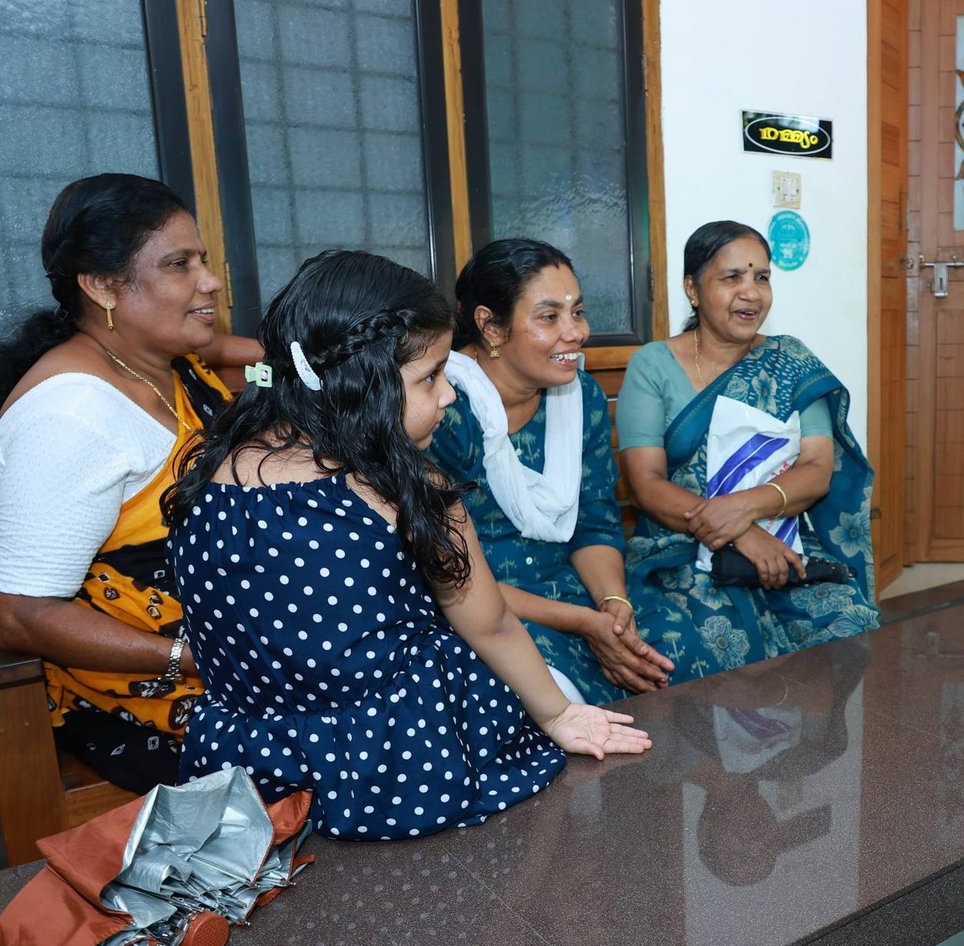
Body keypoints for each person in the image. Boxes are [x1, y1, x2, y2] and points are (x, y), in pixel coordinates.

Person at [163, 250, 650, 841]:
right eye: (430, 377)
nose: (448, 395)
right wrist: (558, 715)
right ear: (361, 383)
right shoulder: (398, 487)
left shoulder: (211, 478)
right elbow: (489, 622)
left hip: (253, 768)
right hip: (402, 763)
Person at [0, 173, 256, 793]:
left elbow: (233, 353)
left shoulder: (159, 362)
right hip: (151, 688)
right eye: (179, 264)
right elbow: (21, 616)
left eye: (202, 260)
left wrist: (298, 355)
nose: (210, 281)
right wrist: (194, 657)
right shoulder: (70, 417)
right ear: (102, 286)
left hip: (224, 642)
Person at [616, 221, 878, 682]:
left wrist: (744, 512)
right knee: (708, 645)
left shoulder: (791, 361)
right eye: (732, 277)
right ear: (693, 290)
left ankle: (811, 733)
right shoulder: (653, 364)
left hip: (784, 539)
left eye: (761, 277)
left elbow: (818, 467)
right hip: (680, 547)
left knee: (847, 621)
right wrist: (741, 534)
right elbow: (645, 484)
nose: (751, 292)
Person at [427, 238, 673, 706]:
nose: (576, 332)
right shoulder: (443, 410)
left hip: (575, 589)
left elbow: (595, 521)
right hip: (480, 607)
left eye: (577, 312)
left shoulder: (582, 397)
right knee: (555, 700)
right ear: (490, 326)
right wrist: (582, 622)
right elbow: (446, 576)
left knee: (675, 652)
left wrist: (612, 605)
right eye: (549, 317)